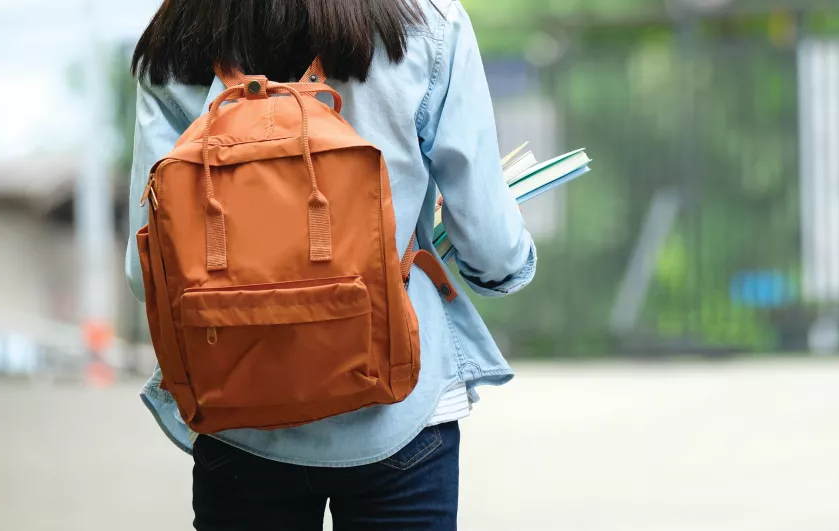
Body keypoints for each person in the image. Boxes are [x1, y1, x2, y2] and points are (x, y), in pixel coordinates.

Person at [125, 1, 535, 529]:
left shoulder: (177, 33)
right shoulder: (427, 21)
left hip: (235, 416)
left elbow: (147, 276)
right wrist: (507, 266)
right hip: (399, 410)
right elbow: (491, 245)